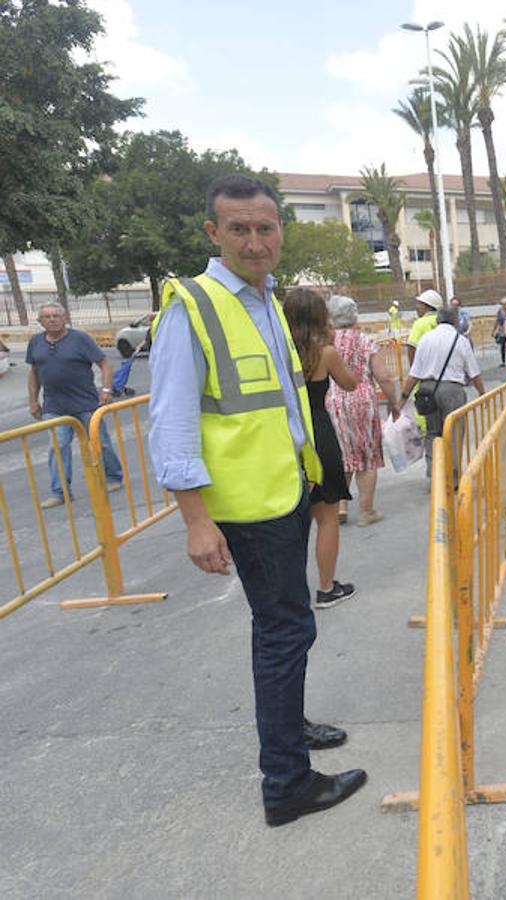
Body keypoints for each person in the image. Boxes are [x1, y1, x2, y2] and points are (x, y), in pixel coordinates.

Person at [147, 174, 365, 827]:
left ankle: (288, 730)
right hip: (248, 505)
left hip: (285, 489)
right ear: (213, 233)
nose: (253, 240)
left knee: (280, 625)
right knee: (286, 628)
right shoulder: (196, 305)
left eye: (264, 227)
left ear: (278, 232)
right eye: (237, 228)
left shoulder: (265, 300)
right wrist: (195, 520)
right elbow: (172, 420)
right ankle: (287, 784)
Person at [283, 289, 359, 609]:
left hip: (284, 437)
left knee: (291, 521)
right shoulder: (324, 353)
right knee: (327, 517)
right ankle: (326, 587)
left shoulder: (278, 353)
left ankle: (291, 593)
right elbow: (350, 383)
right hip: (318, 434)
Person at [27, 303, 124, 507]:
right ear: (40, 322)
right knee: (58, 447)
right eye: (47, 317)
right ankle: (60, 491)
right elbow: (34, 373)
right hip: (54, 407)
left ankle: (114, 477)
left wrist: (106, 390)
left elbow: (105, 364)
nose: (52, 319)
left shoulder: (80, 339)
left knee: (101, 443)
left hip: (86, 405)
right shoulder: (36, 342)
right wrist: (33, 400)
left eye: (56, 315)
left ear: (64, 318)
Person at [326, 295, 401, 527]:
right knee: (367, 457)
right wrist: (393, 402)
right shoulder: (366, 341)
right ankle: (366, 511)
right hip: (362, 401)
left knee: (344, 453)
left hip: (335, 400)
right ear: (354, 315)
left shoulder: (326, 342)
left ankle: (341, 504)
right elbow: (384, 377)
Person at [403, 306, 487, 480]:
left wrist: (402, 398)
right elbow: (473, 372)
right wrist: (482, 393)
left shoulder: (425, 339)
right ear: (456, 321)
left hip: (427, 391)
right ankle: (453, 476)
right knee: (454, 432)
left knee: (433, 432)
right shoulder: (461, 340)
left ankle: (435, 475)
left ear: (437, 320)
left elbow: (415, 372)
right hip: (452, 391)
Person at [405, 289, 441, 368]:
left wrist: (414, 370)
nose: (417, 307)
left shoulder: (420, 323)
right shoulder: (445, 320)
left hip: (426, 370)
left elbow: (412, 347)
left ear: (428, 306)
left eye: (420, 304)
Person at [493, 297, 506, 366]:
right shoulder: (499, 312)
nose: (504, 305)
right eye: (502, 304)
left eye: (505, 304)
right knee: (502, 345)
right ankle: (503, 361)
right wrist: (494, 330)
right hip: (501, 331)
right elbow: (497, 321)